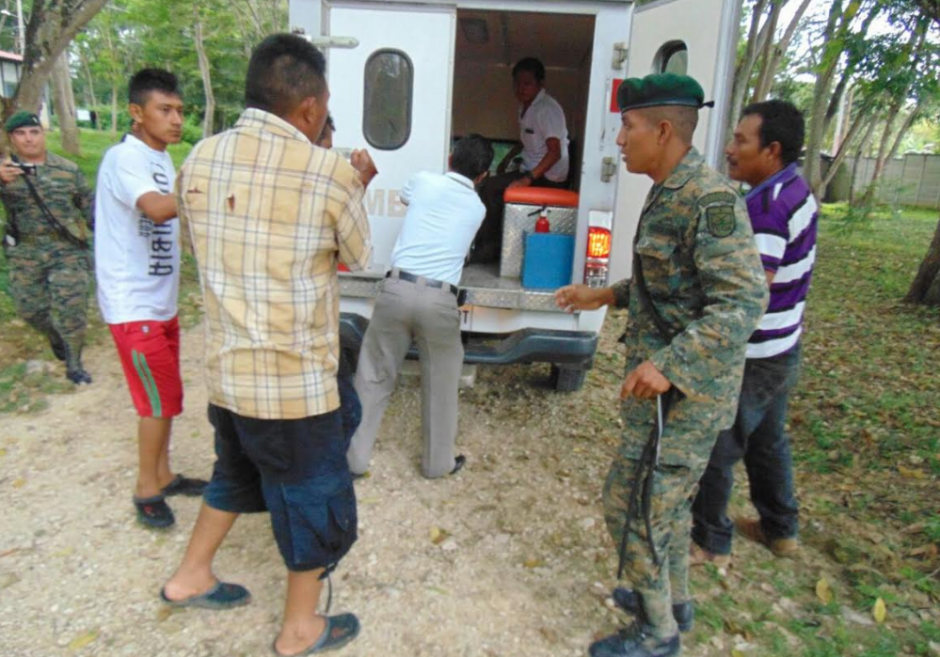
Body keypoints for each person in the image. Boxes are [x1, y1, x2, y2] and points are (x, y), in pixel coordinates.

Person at [161, 34, 375, 657]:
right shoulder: (329, 172)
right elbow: (360, 256)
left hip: (229, 376)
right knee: (313, 497)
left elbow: (199, 244)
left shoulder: (199, 159)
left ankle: (190, 576)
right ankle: (300, 629)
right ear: (310, 108)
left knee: (235, 471)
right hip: (294, 385)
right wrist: (357, 183)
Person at [555, 73, 767, 657]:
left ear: (664, 130)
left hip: (686, 396)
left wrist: (669, 365)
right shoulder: (670, 189)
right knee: (664, 504)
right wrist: (605, 295)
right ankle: (673, 601)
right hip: (666, 394)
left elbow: (744, 301)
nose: (620, 140)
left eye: (628, 126)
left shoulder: (708, 199)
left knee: (634, 502)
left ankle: (657, 633)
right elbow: (671, 283)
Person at [690, 100, 817, 567]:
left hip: (756, 353)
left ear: (772, 150)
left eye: (741, 140)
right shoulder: (796, 188)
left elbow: (748, 294)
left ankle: (711, 541)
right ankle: (780, 529)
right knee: (767, 441)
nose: (729, 149)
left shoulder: (765, 208)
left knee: (718, 443)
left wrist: (709, 343)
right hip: (785, 346)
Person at [95, 69, 206, 529]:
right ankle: (146, 489)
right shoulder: (125, 157)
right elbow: (159, 209)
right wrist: (208, 187)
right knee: (156, 402)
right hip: (133, 305)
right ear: (137, 113)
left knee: (168, 394)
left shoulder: (159, 158)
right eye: (165, 110)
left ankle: (164, 474)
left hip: (160, 303)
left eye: (179, 110)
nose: (176, 119)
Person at [348, 135, 493, 480]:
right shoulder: (478, 208)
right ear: (483, 176)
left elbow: (404, 197)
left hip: (397, 289)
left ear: (450, 158)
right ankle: (437, 465)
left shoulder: (424, 181)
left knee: (373, 376)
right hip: (441, 300)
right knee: (441, 382)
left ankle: (353, 461)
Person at [0, 110, 94, 383]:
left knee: (72, 309)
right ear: (11, 138)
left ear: (43, 134)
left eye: (34, 132)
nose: (28, 139)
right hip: (25, 252)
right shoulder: (5, 171)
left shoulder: (68, 170)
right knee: (29, 310)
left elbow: (89, 206)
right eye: (21, 134)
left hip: (67, 250)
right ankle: (53, 334)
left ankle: (74, 363)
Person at [473, 57, 569, 263]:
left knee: (490, 188)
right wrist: (507, 158)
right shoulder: (525, 106)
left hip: (549, 177)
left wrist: (527, 179)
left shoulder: (546, 109)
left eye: (527, 83)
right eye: (517, 83)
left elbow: (555, 152)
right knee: (488, 185)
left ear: (540, 84)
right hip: (531, 168)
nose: (521, 88)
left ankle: (489, 249)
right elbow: (528, 139)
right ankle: (489, 245)